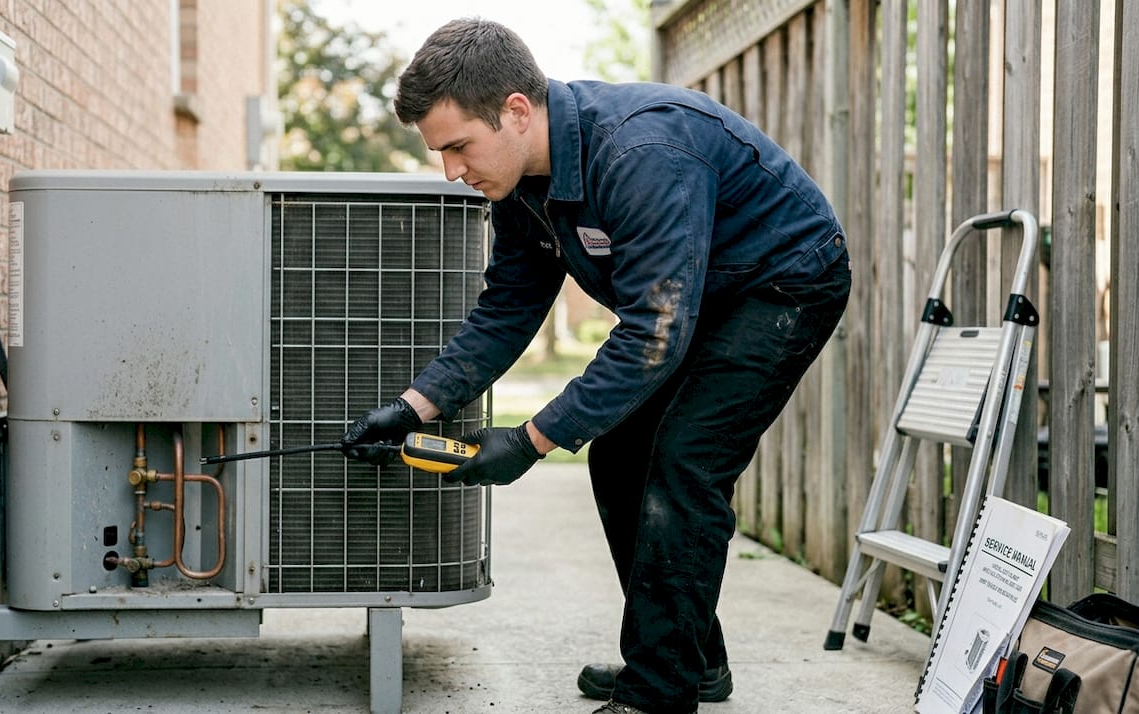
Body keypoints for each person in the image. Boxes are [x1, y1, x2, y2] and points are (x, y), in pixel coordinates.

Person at [341, 17, 850, 714]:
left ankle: (657, 693)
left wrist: (529, 442)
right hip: (701, 297)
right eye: (440, 152)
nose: (452, 172)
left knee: (685, 462)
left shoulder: (641, 149)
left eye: (459, 146)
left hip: (783, 282)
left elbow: (651, 335)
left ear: (516, 110)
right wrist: (413, 407)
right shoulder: (521, 186)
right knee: (618, 457)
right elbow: (508, 310)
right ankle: (688, 660)